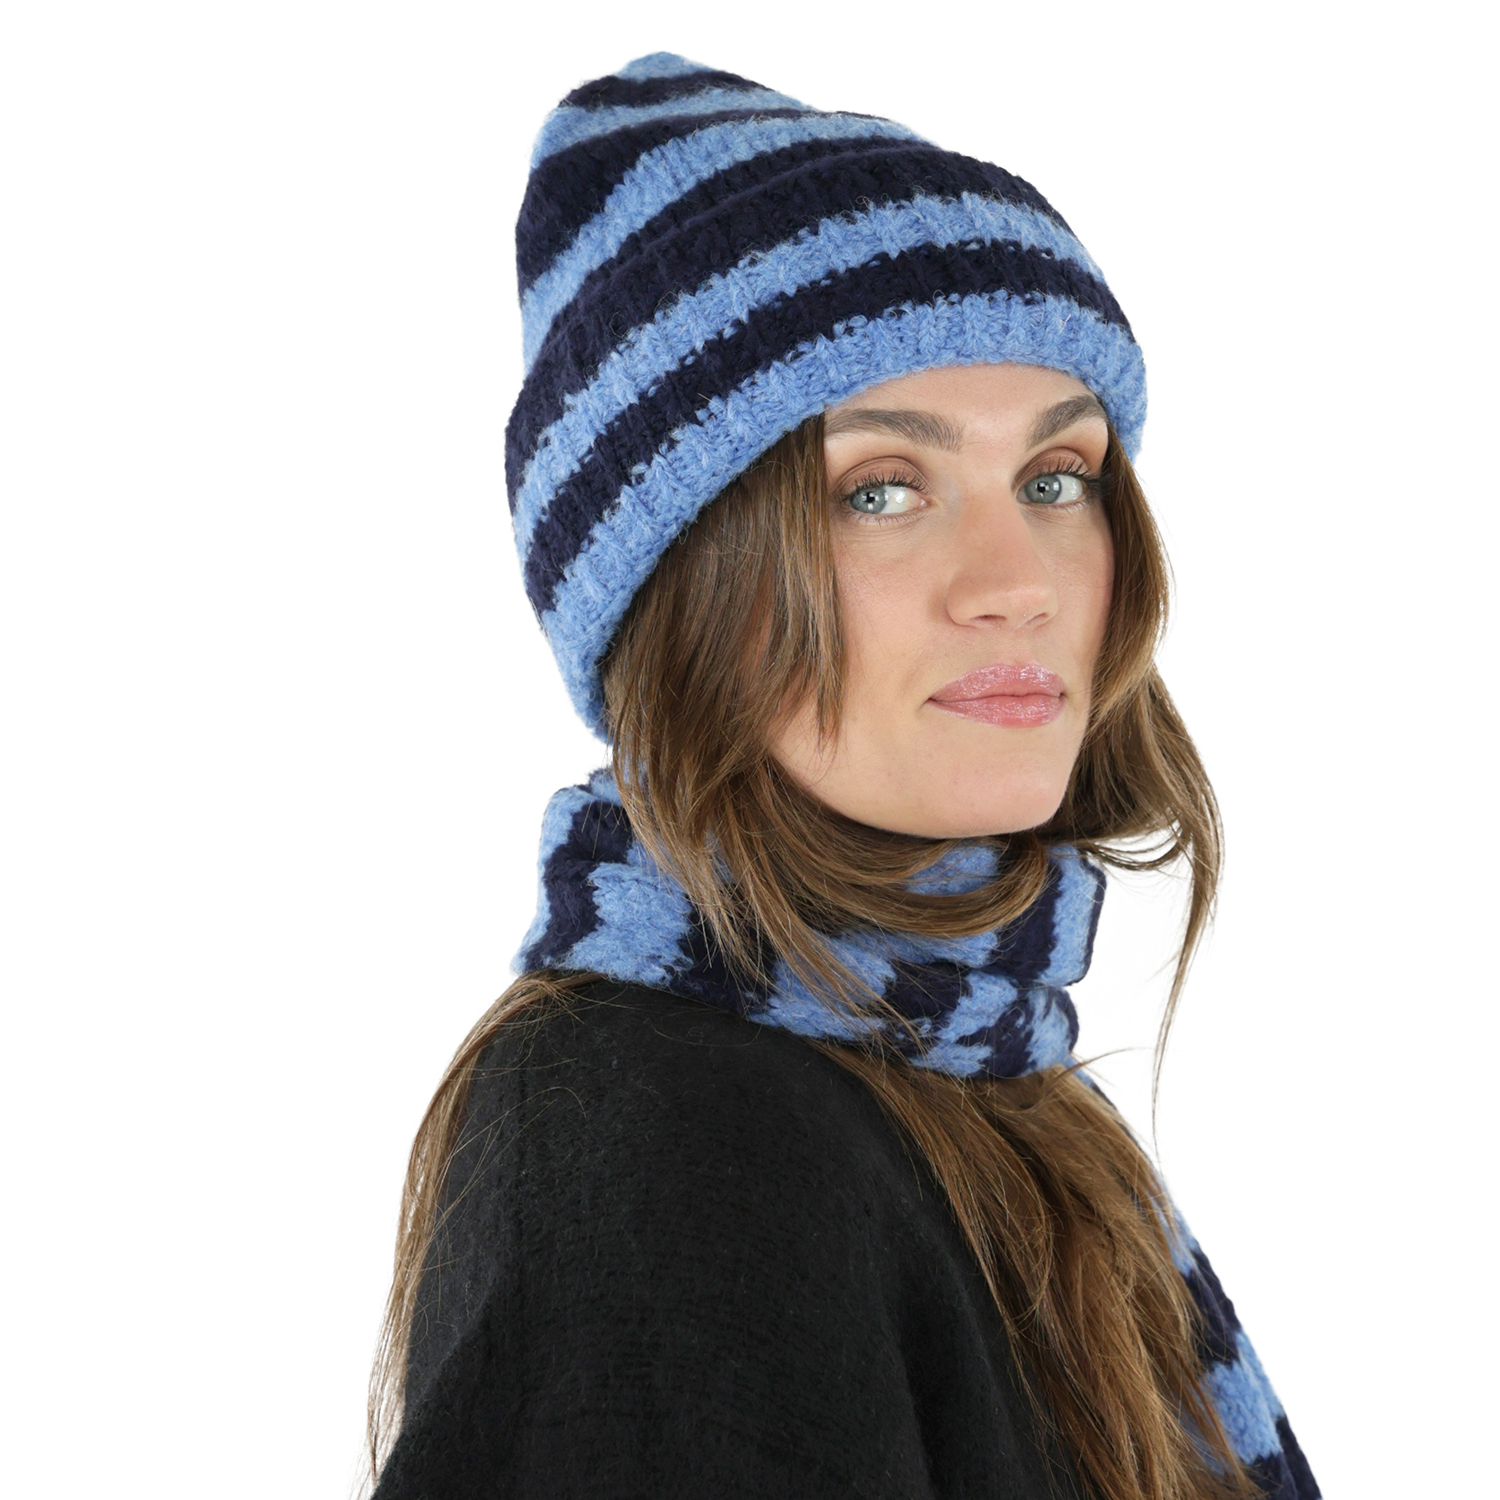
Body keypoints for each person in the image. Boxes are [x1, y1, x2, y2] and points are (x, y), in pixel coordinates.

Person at [365, 52, 1320, 1500]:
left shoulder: (980, 1074)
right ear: (676, 586)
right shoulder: (662, 1125)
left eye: (1055, 478)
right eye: (881, 490)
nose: (1017, 582)